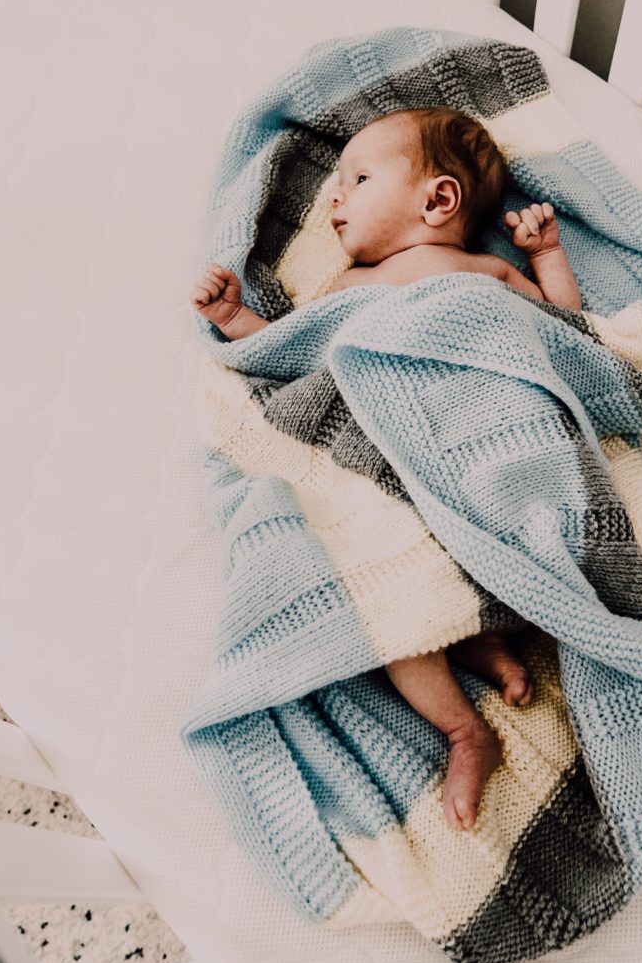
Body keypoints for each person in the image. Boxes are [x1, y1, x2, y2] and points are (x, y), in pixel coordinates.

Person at [190, 108, 582, 829]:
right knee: (387, 589)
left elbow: (567, 335)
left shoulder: (488, 270)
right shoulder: (344, 290)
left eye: (358, 179)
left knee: (454, 557)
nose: (335, 200)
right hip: (386, 462)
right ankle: (465, 724)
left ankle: (483, 638)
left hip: (475, 443)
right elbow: (289, 350)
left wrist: (549, 256)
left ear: (437, 200)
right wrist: (233, 319)